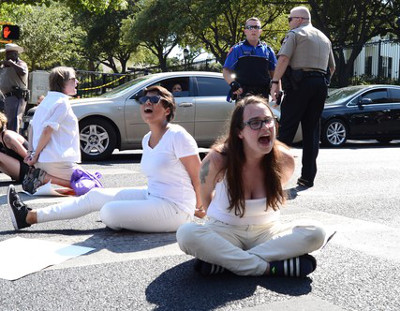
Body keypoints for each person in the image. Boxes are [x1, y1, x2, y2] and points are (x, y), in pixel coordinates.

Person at [7, 85, 204, 232]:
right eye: (144, 100)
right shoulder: (146, 139)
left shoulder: (177, 135)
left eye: (154, 99)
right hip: (152, 195)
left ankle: (129, 216)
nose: (147, 103)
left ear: (167, 110)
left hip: (176, 208)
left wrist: (202, 204)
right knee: (95, 196)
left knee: (109, 212)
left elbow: (199, 174)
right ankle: (29, 216)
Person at [176, 96, 326, 277]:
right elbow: (204, 195)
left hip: (268, 234)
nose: (265, 127)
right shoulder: (218, 159)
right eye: (255, 123)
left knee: (316, 232)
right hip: (225, 232)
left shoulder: (284, 160)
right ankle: (267, 267)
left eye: (268, 121)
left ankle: (228, 262)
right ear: (239, 132)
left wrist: (225, 255)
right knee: (186, 233)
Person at [270, 6, 336, 188]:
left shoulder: (295, 34)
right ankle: (308, 177)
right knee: (312, 131)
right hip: (320, 85)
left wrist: (275, 82)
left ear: (299, 19)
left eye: (290, 19)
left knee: (287, 130)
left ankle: (274, 176)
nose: (289, 23)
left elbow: (283, 59)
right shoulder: (324, 38)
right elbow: (332, 68)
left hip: (299, 85)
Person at [24, 66, 82, 192]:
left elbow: (32, 127)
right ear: (62, 83)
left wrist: (31, 154)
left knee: (85, 184)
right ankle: (44, 178)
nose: (77, 82)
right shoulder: (62, 102)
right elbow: (47, 130)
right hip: (55, 160)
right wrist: (35, 155)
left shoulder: (45, 101)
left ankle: (42, 176)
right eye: (73, 79)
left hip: (45, 160)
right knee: (91, 185)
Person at [0, 112, 72, 188]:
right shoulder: (2, 138)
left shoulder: (7, 137)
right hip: (25, 168)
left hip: (32, 168)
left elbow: (27, 157)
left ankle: (38, 178)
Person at [223, 17, 277, 100]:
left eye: (256, 27)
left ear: (260, 31)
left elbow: (275, 74)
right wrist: (233, 83)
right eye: (250, 27)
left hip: (262, 94)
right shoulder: (237, 49)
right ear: (245, 31)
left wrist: (277, 89)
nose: (253, 30)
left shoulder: (268, 50)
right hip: (243, 94)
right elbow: (226, 71)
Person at [0, 43, 29, 133]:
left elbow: (23, 72)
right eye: (7, 54)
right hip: (6, 98)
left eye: (10, 54)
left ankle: (13, 145)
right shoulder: (4, 66)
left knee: (14, 123)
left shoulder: (21, 64)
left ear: (16, 54)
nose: (7, 56)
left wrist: (12, 64)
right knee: (6, 122)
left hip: (16, 97)